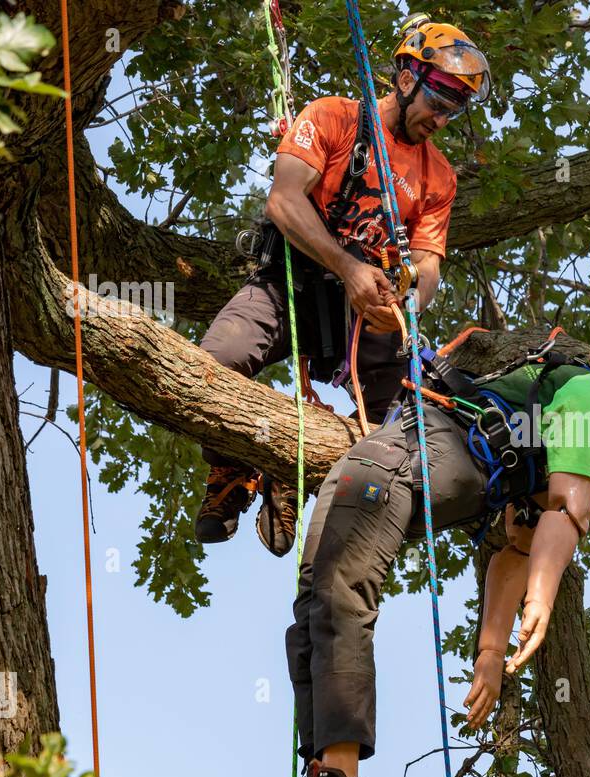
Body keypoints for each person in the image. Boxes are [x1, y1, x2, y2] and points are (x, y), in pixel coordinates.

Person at [243, 325, 590, 777]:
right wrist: (490, 653)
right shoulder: (578, 419)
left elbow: (565, 511)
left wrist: (540, 599)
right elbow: (518, 544)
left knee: (336, 594)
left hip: (404, 459)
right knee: (318, 603)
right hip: (425, 468)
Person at [193, 15, 492, 558]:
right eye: (440, 100)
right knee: (215, 360)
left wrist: (405, 301)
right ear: (406, 78)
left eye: (455, 109)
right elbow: (284, 201)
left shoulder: (438, 177)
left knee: (406, 436)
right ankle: (236, 465)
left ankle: (295, 471)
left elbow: (428, 266)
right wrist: (348, 267)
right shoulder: (334, 118)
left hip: (366, 317)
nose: (443, 118)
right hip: (292, 284)